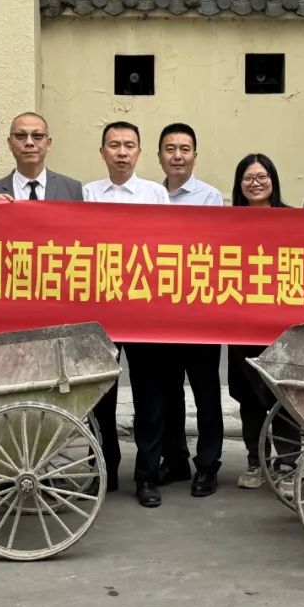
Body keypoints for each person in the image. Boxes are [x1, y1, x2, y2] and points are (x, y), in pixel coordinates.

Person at [82, 121, 171, 507]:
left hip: (144, 309)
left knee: (150, 395)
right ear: (102, 152)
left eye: (129, 145)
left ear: (139, 152)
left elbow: (166, 245)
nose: (121, 152)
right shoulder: (87, 193)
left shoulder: (155, 194)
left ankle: (147, 476)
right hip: (100, 310)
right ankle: (103, 470)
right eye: (114, 145)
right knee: (100, 393)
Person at [151, 123, 225, 497]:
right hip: (160, 315)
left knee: (205, 391)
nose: (177, 156)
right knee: (168, 392)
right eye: (170, 149)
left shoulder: (210, 197)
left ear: (195, 155)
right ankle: (176, 459)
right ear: (159, 155)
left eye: (184, 149)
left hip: (199, 315)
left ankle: (208, 464)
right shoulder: (148, 196)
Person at [226, 154, 297, 495]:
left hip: (282, 329)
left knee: (283, 396)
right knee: (248, 397)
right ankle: (257, 462)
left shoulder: (292, 219)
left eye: (261, 176)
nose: (255, 183)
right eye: (248, 178)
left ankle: (288, 464)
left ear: (273, 180)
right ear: (239, 184)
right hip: (240, 326)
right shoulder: (228, 223)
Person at [0, 112, 83, 201]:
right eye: (20, 136)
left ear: (48, 143)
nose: (29, 142)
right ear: (10, 143)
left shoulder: (72, 190)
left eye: (37, 136)